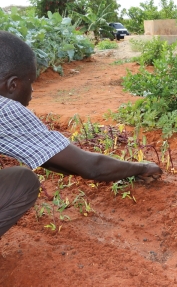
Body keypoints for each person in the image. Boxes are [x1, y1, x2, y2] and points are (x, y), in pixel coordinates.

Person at [0, 30, 163, 237]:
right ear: (12, 84)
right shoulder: (4, 108)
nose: (33, 90)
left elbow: (49, 160)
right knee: (22, 182)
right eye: (31, 81)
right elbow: (91, 167)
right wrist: (141, 167)